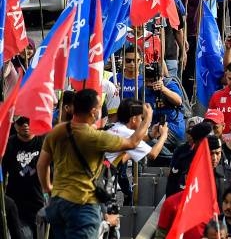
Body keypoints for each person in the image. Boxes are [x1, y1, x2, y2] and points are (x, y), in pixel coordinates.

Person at [38, 89, 153, 239]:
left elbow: (42, 164)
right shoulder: (95, 137)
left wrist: (48, 189)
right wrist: (147, 119)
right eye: (99, 107)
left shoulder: (57, 131)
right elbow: (132, 142)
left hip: (58, 204)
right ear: (93, 112)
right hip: (83, 206)